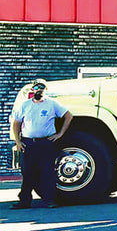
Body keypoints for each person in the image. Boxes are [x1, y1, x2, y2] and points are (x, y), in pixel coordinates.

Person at [9, 79, 71, 210]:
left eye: (42, 87)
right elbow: (16, 123)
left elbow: (68, 116)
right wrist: (18, 141)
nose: (39, 89)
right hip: (29, 143)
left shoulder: (52, 104)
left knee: (47, 172)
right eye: (37, 87)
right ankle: (24, 201)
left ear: (45, 89)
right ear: (33, 89)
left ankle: (49, 200)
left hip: (46, 143)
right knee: (28, 173)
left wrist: (60, 134)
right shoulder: (25, 105)